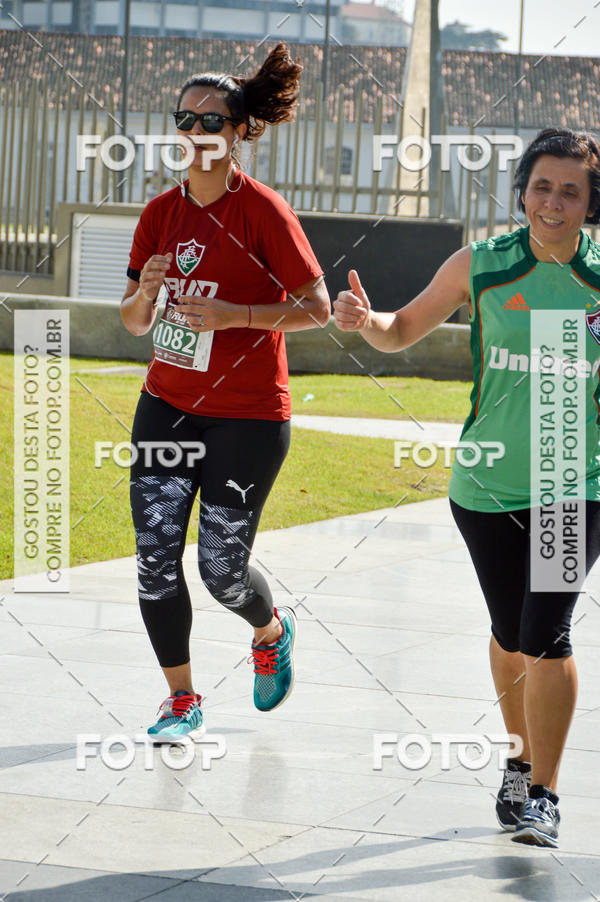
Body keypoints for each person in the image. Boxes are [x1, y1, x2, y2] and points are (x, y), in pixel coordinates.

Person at [333, 127, 600, 848]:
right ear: (521, 192)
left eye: (571, 190)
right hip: (483, 486)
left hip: (573, 482)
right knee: (511, 633)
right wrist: (367, 322)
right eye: (543, 185)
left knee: (547, 635)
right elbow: (402, 330)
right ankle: (519, 760)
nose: (554, 201)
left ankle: (542, 793)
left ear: (589, 202)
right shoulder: (479, 265)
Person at [120, 43, 330, 743]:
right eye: (184, 119)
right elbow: (130, 319)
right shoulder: (159, 214)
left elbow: (317, 308)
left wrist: (237, 315)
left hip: (246, 416)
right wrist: (146, 292)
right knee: (153, 558)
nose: (195, 131)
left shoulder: (263, 212)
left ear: (238, 133)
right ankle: (181, 699)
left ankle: (269, 631)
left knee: (220, 570)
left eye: (211, 121)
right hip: (167, 407)